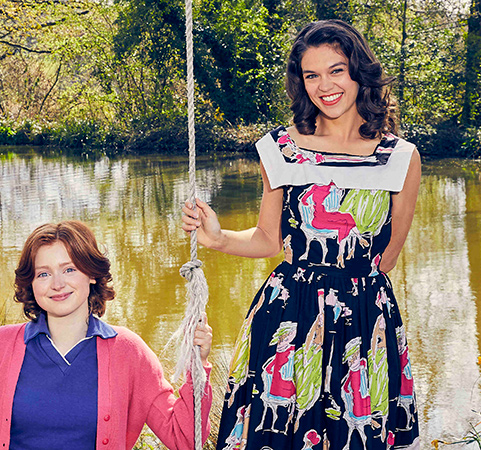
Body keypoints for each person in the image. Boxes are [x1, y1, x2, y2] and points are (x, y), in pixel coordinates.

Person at [181, 20, 421, 449]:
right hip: (289, 313)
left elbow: (386, 259)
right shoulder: (281, 148)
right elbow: (269, 241)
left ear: (358, 73)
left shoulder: (400, 159)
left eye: (336, 70)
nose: (324, 85)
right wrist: (216, 238)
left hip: (364, 318)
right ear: (300, 82)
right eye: (312, 75)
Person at [0, 220, 213, 449]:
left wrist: (197, 366)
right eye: (43, 273)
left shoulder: (128, 352)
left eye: (69, 269)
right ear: (32, 283)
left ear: (91, 274)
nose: (56, 283)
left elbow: (184, 438)